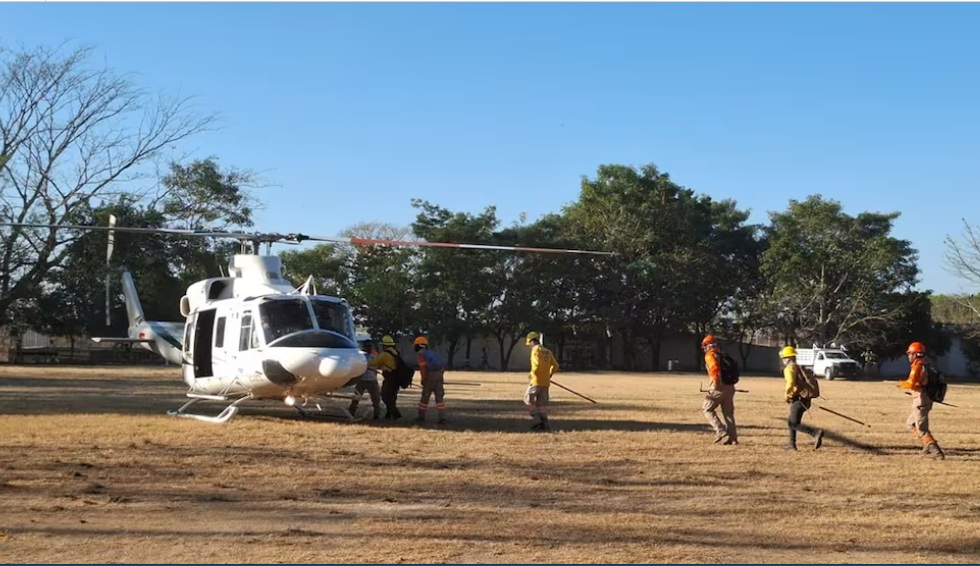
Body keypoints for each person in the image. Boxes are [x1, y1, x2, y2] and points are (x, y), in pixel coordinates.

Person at [898, 341, 945, 460]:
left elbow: (911, 383)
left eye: (910, 354)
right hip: (924, 399)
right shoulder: (925, 365)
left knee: (922, 429)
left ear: (915, 354)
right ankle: (926, 445)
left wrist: (901, 384)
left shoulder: (917, 367)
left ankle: (936, 451)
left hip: (921, 402)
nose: (908, 356)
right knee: (911, 424)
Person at [779, 346, 824, 451]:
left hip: (798, 400)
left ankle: (815, 433)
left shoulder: (789, 368)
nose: (783, 360)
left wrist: (786, 395)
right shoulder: (798, 367)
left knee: (793, 423)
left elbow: (790, 383)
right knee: (792, 421)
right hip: (805, 400)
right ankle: (792, 445)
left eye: (784, 358)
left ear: (788, 358)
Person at [701, 334, 738, 445]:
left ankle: (720, 431)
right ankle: (733, 439)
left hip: (718, 387)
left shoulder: (710, 355)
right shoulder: (722, 354)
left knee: (707, 409)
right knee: (728, 413)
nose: (704, 348)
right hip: (730, 387)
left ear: (708, 345)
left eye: (705, 345)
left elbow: (714, 369)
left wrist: (715, 384)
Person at [525, 331, 559, 431]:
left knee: (528, 399)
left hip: (536, 381)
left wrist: (532, 374)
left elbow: (536, 365)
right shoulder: (547, 351)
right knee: (541, 405)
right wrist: (549, 375)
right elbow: (556, 366)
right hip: (545, 382)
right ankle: (545, 424)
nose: (530, 346)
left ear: (532, 341)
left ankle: (537, 420)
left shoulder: (535, 350)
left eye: (529, 343)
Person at [414, 336, 448, 424]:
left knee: (425, 397)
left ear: (418, 346)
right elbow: (442, 365)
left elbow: (423, 369)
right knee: (439, 398)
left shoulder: (421, 355)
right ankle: (442, 417)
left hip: (430, 376)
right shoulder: (432, 353)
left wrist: (423, 379)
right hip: (439, 375)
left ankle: (421, 416)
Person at [369, 335, 403, 420]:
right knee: (392, 397)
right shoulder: (396, 353)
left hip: (389, 378)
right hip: (398, 378)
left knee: (385, 396)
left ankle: (396, 414)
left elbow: (373, 362)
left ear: (385, 345)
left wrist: (363, 363)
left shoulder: (384, 355)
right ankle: (388, 415)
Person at [348, 339, 382, 420]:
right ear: (364, 347)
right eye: (367, 346)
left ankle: (377, 414)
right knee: (356, 397)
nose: (369, 348)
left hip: (372, 380)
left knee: (376, 398)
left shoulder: (375, 356)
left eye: (370, 346)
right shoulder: (360, 356)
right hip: (361, 380)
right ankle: (351, 411)